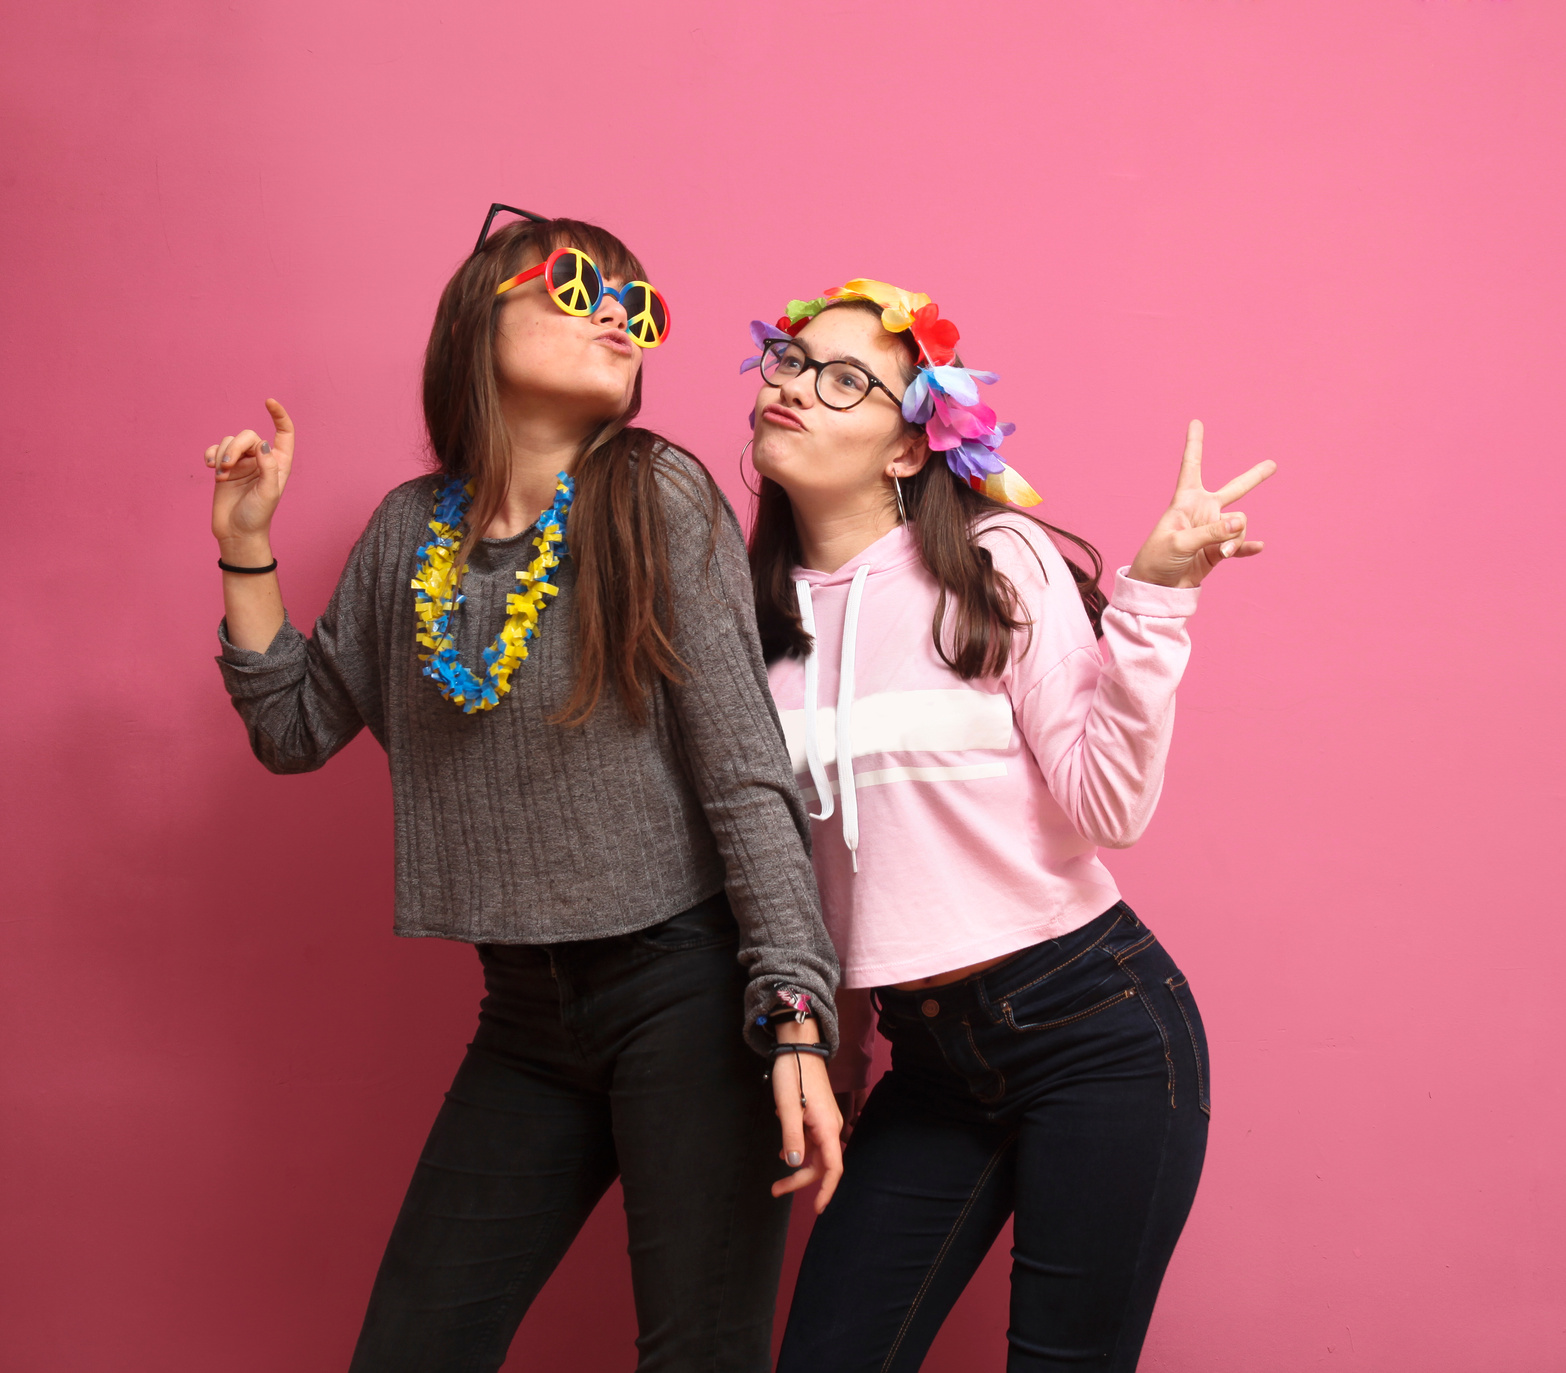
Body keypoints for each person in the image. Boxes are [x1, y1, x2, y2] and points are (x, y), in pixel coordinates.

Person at [203, 207, 843, 1373]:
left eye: (640, 306)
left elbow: (745, 768)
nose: (619, 316)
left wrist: (793, 1010)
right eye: (578, 286)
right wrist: (249, 544)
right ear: (475, 319)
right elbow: (293, 729)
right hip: (525, 1012)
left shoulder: (654, 493)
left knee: (701, 1353)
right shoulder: (409, 532)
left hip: (689, 991)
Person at [741, 280, 1276, 1372]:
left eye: (844, 379)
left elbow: (1108, 807)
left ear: (908, 447)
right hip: (931, 1059)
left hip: (1095, 1026)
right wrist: (838, 1053)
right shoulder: (753, 622)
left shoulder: (994, 563)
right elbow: (811, 870)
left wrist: (1156, 602)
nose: (794, 386)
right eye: (788, 361)